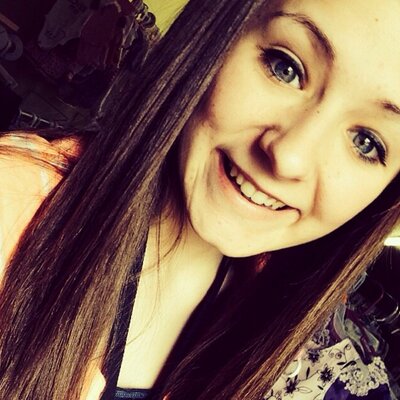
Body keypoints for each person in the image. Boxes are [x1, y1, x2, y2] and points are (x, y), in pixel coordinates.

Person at [0, 0, 399, 399]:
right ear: (216, 34)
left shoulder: (278, 337)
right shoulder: (13, 204)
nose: (288, 157)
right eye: (285, 67)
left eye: (366, 142)